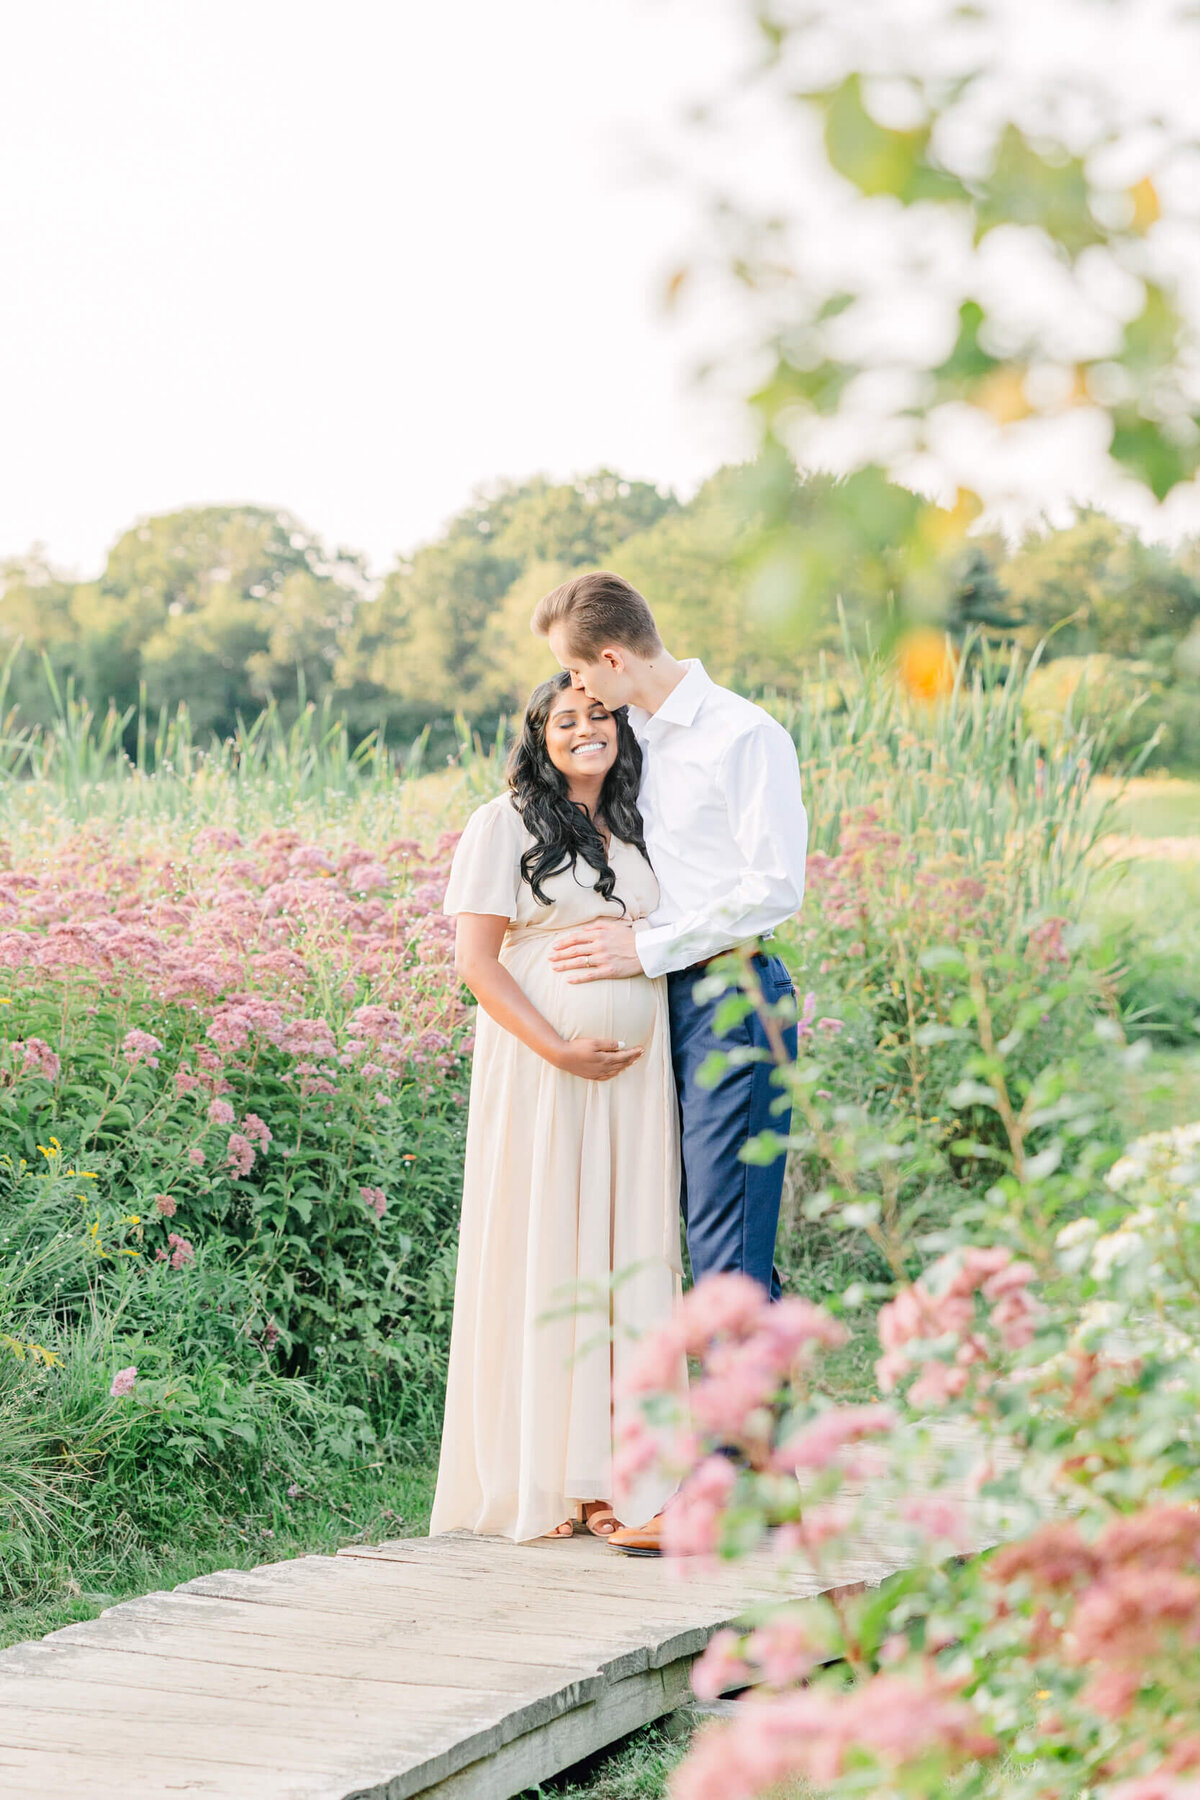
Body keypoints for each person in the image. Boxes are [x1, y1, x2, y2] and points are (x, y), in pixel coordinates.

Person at [531, 569, 808, 1555]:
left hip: (733, 1001)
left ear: (610, 657)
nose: (577, 692)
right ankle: (758, 1481)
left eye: (576, 670)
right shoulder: (638, 738)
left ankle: (724, 1497)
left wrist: (643, 949)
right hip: (670, 1011)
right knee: (706, 1237)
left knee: (726, 1244)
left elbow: (776, 888)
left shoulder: (744, 737)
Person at [429, 673, 684, 1545]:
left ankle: (626, 1473)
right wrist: (559, 1047)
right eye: (566, 720)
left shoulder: (641, 822)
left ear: (622, 727)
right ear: (540, 737)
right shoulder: (502, 823)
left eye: (601, 714)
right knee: (555, 1249)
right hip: (545, 1075)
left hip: (637, 1094)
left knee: (628, 1252)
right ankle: (560, 1479)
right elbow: (478, 962)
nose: (587, 730)